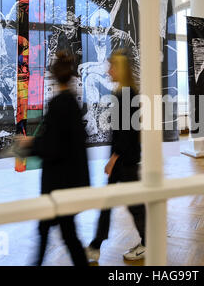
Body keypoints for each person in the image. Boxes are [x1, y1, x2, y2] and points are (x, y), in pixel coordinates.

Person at [17, 50, 90, 266]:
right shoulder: (73, 105)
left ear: (54, 76)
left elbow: (52, 148)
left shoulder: (58, 105)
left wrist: (30, 144)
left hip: (57, 183)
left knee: (54, 232)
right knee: (66, 234)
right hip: (71, 181)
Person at [85, 48, 146, 263]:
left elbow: (125, 132)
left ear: (120, 69)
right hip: (126, 158)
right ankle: (95, 245)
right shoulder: (128, 93)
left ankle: (147, 242)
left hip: (124, 160)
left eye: (112, 67)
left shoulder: (124, 95)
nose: (109, 71)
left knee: (134, 206)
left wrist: (113, 159)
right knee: (112, 203)